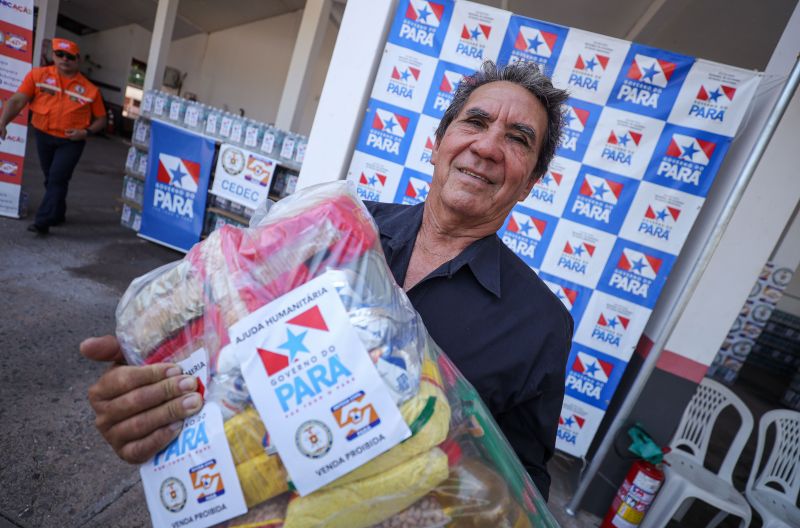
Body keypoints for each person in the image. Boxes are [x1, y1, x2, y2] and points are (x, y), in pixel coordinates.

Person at [81, 60, 572, 500]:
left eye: (518, 139)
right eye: (476, 122)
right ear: (438, 143)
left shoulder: (540, 323)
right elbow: (218, 344)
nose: (487, 147)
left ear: (531, 181)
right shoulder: (330, 227)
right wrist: (151, 387)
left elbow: (522, 479)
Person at [0, 38, 107, 235]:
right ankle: (58, 212)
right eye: (60, 54)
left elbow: (102, 119)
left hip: (71, 142)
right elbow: (17, 101)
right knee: (51, 179)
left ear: (78, 59)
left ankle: (43, 222)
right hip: (43, 136)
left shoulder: (91, 90)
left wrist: (86, 132)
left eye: (70, 56)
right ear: (53, 55)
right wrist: (3, 122)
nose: (64, 59)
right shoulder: (37, 76)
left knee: (57, 178)